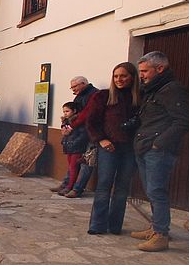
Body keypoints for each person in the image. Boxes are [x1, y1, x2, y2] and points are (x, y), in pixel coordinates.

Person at [132, 51, 189, 251]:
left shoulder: (173, 89)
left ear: (160, 69)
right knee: (151, 191)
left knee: (157, 191)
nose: (141, 75)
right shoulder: (153, 89)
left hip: (158, 151)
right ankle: (155, 228)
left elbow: (184, 122)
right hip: (145, 147)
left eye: (145, 71)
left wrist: (158, 144)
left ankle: (161, 235)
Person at [83, 62, 140, 235]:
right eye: (116, 76)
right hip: (109, 147)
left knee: (122, 188)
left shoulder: (139, 98)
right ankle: (97, 224)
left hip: (130, 148)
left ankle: (115, 226)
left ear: (132, 77)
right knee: (104, 184)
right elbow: (91, 122)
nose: (119, 79)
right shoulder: (103, 96)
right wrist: (101, 139)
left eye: (123, 76)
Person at [61, 75, 100, 196]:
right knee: (73, 162)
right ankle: (67, 184)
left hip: (90, 132)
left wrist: (71, 126)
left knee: (86, 161)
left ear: (83, 84)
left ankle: (77, 189)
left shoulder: (94, 94)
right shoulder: (80, 96)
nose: (73, 89)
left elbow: (86, 114)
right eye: (71, 87)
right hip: (79, 132)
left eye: (75, 86)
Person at [53, 101, 89, 197]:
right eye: (64, 111)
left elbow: (83, 135)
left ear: (74, 111)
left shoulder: (78, 122)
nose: (65, 113)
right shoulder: (67, 121)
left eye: (67, 111)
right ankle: (68, 186)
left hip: (77, 148)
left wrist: (74, 143)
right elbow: (65, 134)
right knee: (71, 167)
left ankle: (70, 187)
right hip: (69, 147)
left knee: (73, 168)